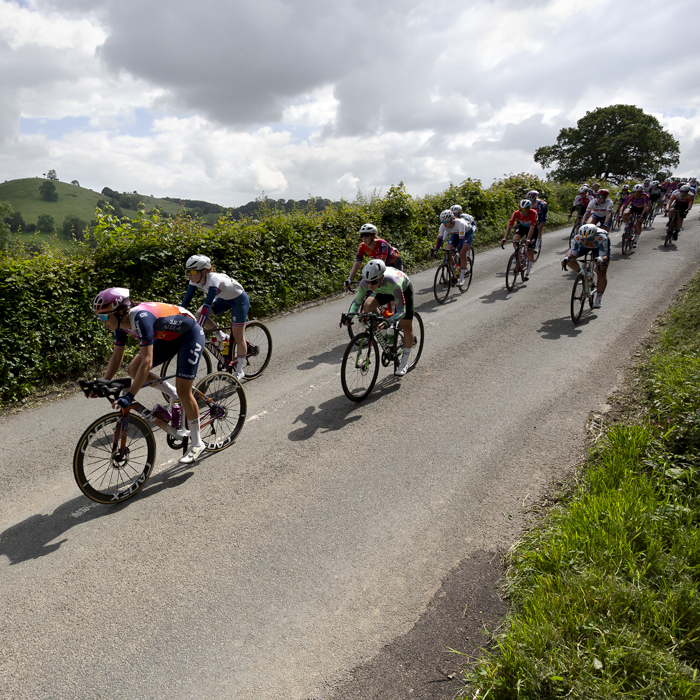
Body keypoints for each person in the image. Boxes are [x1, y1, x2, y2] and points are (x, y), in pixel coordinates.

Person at [90, 287, 206, 464]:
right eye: (99, 317)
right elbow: (116, 357)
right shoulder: (120, 324)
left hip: (189, 334)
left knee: (185, 391)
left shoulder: (140, 318)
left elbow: (147, 362)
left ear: (120, 312)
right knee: (132, 370)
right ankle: (172, 393)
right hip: (167, 337)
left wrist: (130, 396)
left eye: (104, 316)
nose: (101, 321)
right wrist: (103, 382)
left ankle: (197, 443)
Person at [182, 255, 250, 381]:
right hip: (224, 299)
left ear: (203, 271)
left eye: (192, 271)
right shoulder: (194, 280)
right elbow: (186, 301)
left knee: (238, 336)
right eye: (188, 272)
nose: (189, 275)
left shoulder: (213, 279)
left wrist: (199, 328)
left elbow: (207, 305)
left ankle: (240, 370)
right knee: (199, 313)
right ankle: (222, 336)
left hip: (239, 301)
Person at [342, 260, 415, 377]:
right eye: (368, 282)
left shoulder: (394, 283)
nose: (370, 285)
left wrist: (388, 322)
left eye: (373, 282)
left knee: (406, 325)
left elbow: (401, 311)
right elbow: (357, 302)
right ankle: (383, 332)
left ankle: (404, 362)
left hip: (402, 289)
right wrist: (348, 317)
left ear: (382, 277)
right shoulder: (367, 283)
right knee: (367, 306)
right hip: (382, 290)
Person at [561, 224, 611, 309]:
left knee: (601, 272)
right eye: (583, 239)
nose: (585, 242)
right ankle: (583, 274)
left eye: (588, 239)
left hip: (599, 248)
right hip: (584, 248)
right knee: (568, 259)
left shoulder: (602, 238)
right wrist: (567, 258)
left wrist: (600, 258)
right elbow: (573, 253)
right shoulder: (577, 238)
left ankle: (599, 297)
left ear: (594, 236)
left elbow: (604, 255)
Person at [345, 224, 402, 289]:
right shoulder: (362, 246)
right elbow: (357, 263)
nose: (364, 238)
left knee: (394, 284)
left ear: (373, 236)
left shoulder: (382, 243)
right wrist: (349, 278)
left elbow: (382, 262)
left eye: (366, 235)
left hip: (395, 263)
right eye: (362, 235)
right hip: (381, 263)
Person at [500, 199, 538, 281]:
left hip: (532, 229)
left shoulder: (533, 213)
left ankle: (528, 272)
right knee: (515, 239)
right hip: (522, 227)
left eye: (524, 210)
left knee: (530, 250)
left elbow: (531, 228)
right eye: (520, 209)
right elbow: (509, 226)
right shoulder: (516, 213)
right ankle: (519, 255)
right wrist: (505, 238)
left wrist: (528, 239)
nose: (522, 212)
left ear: (529, 209)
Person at [433, 209, 472, 286]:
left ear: (451, 220)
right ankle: (454, 266)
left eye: (446, 222)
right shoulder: (442, 226)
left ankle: (462, 278)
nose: (444, 224)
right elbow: (439, 239)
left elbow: (461, 240)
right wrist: (435, 251)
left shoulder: (460, 223)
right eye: (443, 222)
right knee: (448, 250)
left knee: (462, 252)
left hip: (467, 233)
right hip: (455, 234)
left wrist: (458, 251)